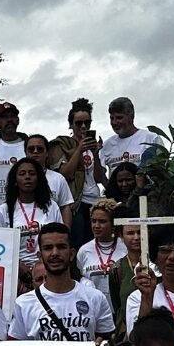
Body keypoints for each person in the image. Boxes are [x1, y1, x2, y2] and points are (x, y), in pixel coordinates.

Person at [49, 98, 108, 247]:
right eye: (78, 123)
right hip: (76, 204)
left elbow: (100, 178)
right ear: (71, 124)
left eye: (87, 123)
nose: (83, 126)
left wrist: (95, 154)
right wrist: (79, 149)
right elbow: (64, 175)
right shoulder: (63, 144)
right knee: (77, 245)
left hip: (95, 201)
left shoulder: (95, 145)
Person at [0, 158, 62, 268]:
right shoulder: (4, 209)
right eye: (22, 174)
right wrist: (18, 266)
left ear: (38, 178)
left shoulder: (52, 206)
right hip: (15, 269)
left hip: (48, 266)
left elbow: (60, 238)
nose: (27, 177)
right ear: (15, 180)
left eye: (32, 173)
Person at [100, 97, 161, 172]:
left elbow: (163, 169)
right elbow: (99, 176)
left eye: (119, 118)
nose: (114, 122)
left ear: (131, 116)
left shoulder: (151, 139)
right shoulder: (107, 145)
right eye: (112, 118)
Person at [25, 135, 74, 228]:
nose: (35, 151)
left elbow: (65, 207)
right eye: (31, 149)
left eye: (40, 149)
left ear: (47, 153)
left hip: (52, 234)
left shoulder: (58, 178)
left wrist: (66, 232)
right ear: (25, 153)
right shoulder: (18, 179)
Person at [75, 200, 121, 293]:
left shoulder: (124, 247)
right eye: (93, 221)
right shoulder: (84, 251)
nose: (96, 226)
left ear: (113, 224)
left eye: (102, 221)